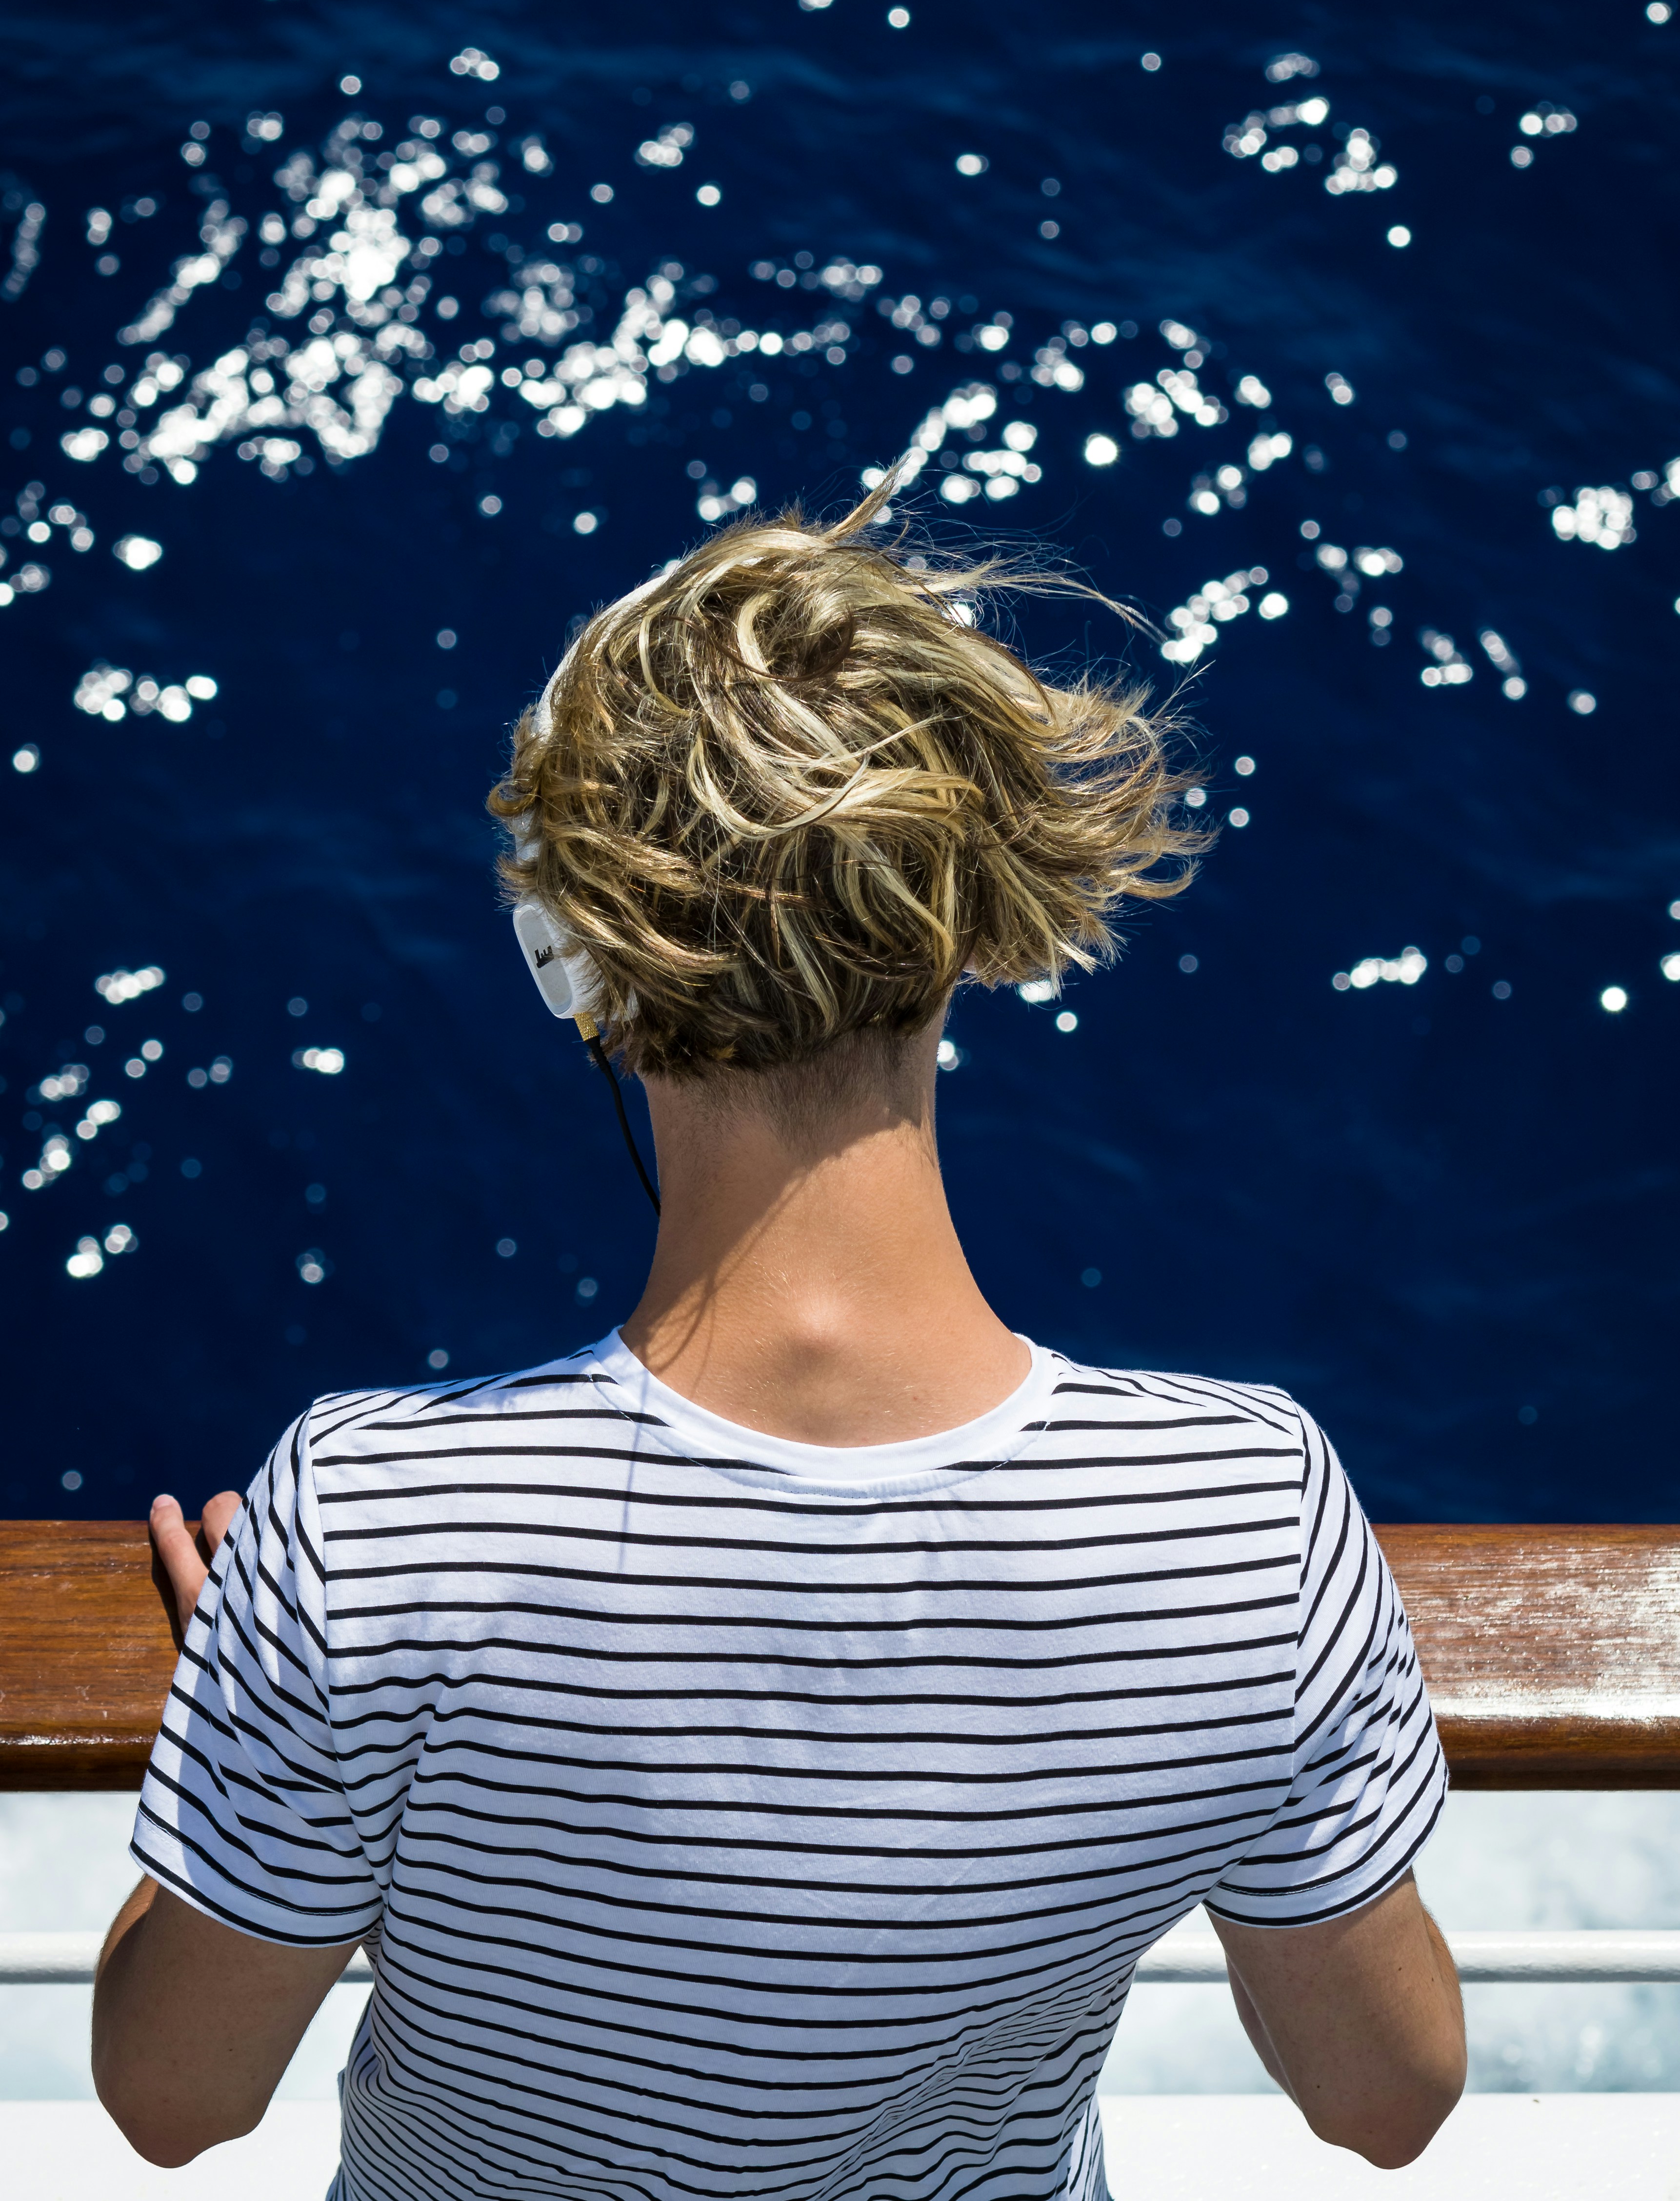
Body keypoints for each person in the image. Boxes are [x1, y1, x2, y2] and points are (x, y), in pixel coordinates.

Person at [94, 485, 1465, 2198]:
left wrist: (263, 1720)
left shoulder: (370, 1525)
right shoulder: (1240, 1515)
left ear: (571, 965)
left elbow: (171, 2104)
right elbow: (1387, 2098)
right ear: (972, 927)